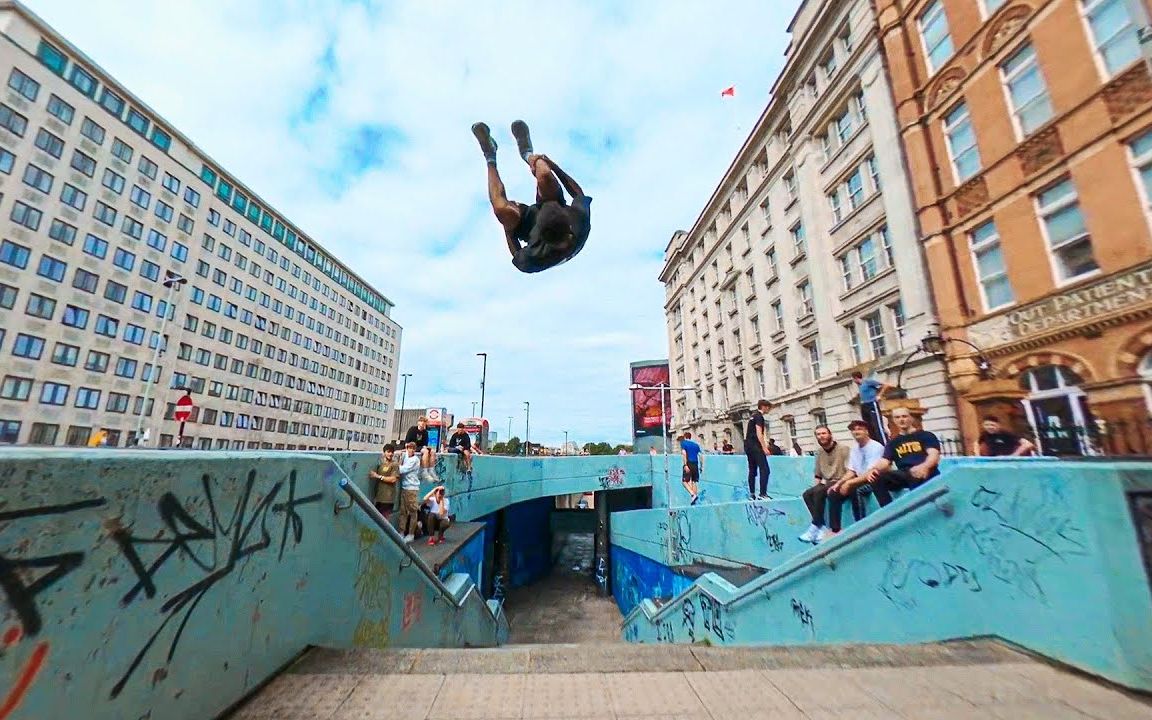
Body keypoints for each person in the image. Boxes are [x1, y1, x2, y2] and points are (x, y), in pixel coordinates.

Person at [472, 120, 592, 274]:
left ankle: (490, 154)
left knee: (501, 210)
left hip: (526, 226)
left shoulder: (534, 259)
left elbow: (516, 253)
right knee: (545, 173)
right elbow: (578, 194)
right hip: (553, 204)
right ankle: (527, 153)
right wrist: (551, 164)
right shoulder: (580, 222)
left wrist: (508, 225)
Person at [863, 407, 941, 507]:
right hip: (905, 474)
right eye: (897, 417)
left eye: (904, 416)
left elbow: (933, 455)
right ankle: (889, 510)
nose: (901, 420)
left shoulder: (926, 435)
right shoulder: (893, 442)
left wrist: (924, 466)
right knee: (875, 478)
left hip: (926, 471)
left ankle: (925, 506)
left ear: (911, 418)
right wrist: (873, 470)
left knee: (914, 473)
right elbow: (884, 461)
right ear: (894, 420)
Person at [823, 420, 887, 541]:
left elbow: (870, 472)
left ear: (866, 431)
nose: (856, 431)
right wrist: (839, 483)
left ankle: (860, 525)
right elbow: (851, 471)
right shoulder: (855, 449)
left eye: (859, 429)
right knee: (833, 492)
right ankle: (835, 529)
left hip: (874, 480)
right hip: (859, 479)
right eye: (853, 429)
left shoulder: (876, 447)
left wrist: (850, 483)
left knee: (855, 491)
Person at [799, 426, 850, 543]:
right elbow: (818, 475)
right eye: (818, 434)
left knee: (819, 491)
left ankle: (815, 525)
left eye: (824, 433)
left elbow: (850, 471)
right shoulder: (820, 452)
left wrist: (842, 483)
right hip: (827, 482)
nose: (821, 436)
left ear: (830, 435)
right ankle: (820, 526)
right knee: (807, 494)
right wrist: (814, 489)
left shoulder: (843, 449)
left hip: (841, 480)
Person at [744, 399, 773, 500]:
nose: (769, 410)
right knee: (765, 469)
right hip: (755, 446)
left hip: (748, 446)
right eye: (768, 407)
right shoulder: (759, 417)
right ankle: (762, 493)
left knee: (752, 470)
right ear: (764, 406)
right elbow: (759, 432)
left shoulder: (752, 416)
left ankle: (752, 494)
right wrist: (764, 447)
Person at [853, 370, 892, 444]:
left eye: (854, 379)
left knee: (878, 426)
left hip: (872, 404)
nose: (854, 381)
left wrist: (879, 395)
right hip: (864, 406)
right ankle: (875, 443)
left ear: (856, 378)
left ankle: (885, 443)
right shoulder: (860, 386)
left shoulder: (868, 382)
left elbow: (885, 385)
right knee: (868, 427)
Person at [396, 441, 422, 542]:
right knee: (403, 511)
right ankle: (401, 532)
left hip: (412, 488)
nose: (410, 450)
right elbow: (403, 453)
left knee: (413, 511)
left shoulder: (415, 460)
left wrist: (395, 465)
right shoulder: (406, 455)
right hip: (404, 487)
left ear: (415, 450)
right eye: (408, 448)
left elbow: (402, 470)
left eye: (412, 448)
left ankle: (411, 534)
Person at [368, 443, 399, 517]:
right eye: (388, 452)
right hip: (379, 497)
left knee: (384, 520)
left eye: (392, 452)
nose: (390, 454)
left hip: (388, 499)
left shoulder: (394, 464)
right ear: (384, 453)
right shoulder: (381, 464)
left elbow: (393, 479)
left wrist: (378, 476)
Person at [404, 416, 439, 482]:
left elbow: (425, 444)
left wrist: (426, 447)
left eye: (424, 422)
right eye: (421, 421)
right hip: (412, 446)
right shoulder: (412, 429)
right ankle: (424, 472)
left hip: (420, 447)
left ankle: (431, 470)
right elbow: (407, 442)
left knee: (433, 452)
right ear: (418, 422)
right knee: (425, 451)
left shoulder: (425, 432)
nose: (422, 423)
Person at [680, 431, 704, 505]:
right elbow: (701, 456)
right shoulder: (696, 445)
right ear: (690, 437)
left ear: (685, 437)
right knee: (694, 481)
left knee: (684, 482)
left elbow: (684, 453)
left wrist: (685, 465)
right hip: (696, 464)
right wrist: (701, 466)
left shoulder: (683, 443)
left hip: (689, 463)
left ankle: (693, 494)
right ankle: (694, 499)